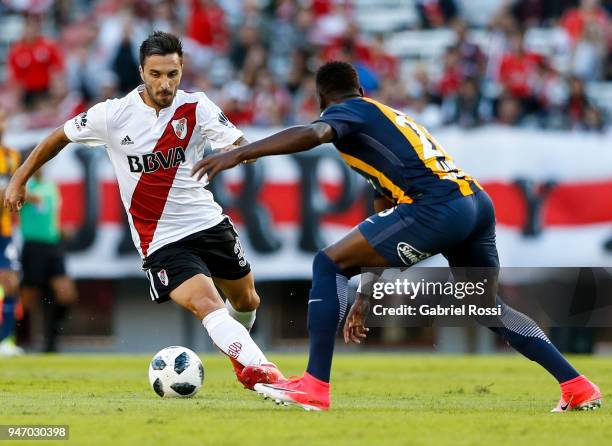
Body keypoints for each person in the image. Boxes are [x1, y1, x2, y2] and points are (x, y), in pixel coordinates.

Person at [191, 61, 602, 412]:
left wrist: (238, 153)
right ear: (361, 88)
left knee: (328, 262)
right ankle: (577, 385)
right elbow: (385, 208)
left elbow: (314, 135)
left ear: (322, 101)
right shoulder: (384, 121)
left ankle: (314, 386)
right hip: (474, 202)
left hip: (437, 203)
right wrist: (367, 291)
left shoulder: (352, 112)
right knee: (486, 306)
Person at [4, 31, 282, 389]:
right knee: (206, 302)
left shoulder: (197, 107)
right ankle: (265, 372)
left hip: (209, 223)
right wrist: (19, 180)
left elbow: (241, 144)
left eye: (172, 74)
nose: (165, 83)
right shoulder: (113, 114)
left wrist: (238, 153)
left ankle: (238, 356)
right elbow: (59, 135)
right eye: (156, 74)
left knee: (246, 300)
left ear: (182, 70)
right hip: (161, 238)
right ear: (141, 72)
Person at [19, 169, 77, 352]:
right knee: (27, 298)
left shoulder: (51, 186)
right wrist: (26, 194)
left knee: (66, 294)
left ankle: (51, 342)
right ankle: (11, 338)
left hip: (53, 245)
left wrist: (60, 230)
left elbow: (49, 216)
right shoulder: (23, 186)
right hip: (33, 246)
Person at [0, 107, 23, 356]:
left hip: (4, 232)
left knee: (10, 282)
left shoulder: (12, 156)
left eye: (3, 119)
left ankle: (5, 340)